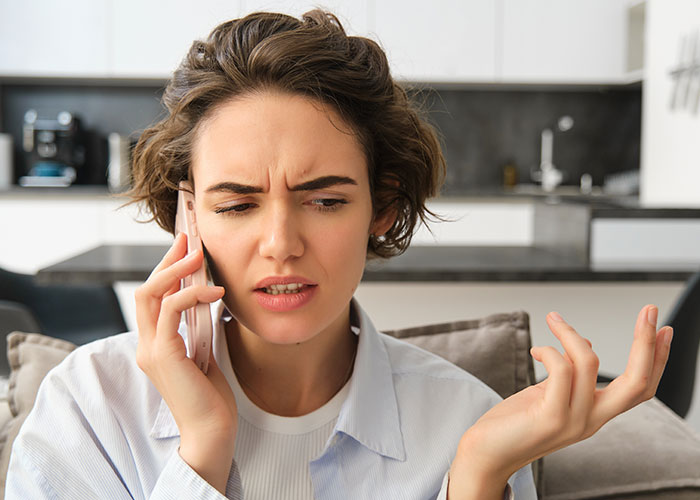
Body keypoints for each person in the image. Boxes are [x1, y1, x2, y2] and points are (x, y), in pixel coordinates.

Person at [5, 10, 672, 500]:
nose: (280, 244)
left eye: (325, 200)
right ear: (190, 215)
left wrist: (474, 478)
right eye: (236, 205)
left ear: (380, 207)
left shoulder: (468, 423)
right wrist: (202, 455)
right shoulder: (89, 408)